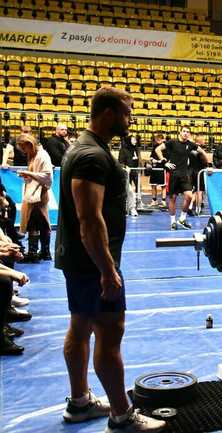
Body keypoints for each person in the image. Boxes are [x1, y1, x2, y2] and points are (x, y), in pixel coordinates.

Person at [54, 87, 165, 432]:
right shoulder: (91, 156)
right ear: (108, 114)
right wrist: (107, 271)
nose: (131, 119)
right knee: (109, 331)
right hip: (93, 264)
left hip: (82, 260)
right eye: (127, 112)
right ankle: (122, 416)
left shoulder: (88, 149)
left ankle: (80, 402)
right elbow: (90, 220)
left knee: (81, 326)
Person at [15, 134, 53, 263]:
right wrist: (28, 176)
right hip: (35, 193)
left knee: (36, 222)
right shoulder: (34, 155)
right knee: (38, 223)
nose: (24, 151)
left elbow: (47, 176)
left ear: (29, 144)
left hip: (39, 195)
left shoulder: (42, 156)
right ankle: (43, 252)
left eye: (24, 148)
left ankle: (35, 253)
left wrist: (28, 173)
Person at [157, 126, 203, 230]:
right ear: (180, 132)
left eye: (188, 132)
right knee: (173, 198)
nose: (186, 133)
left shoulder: (190, 144)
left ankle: (182, 219)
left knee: (189, 196)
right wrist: (164, 162)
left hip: (184, 175)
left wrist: (207, 164)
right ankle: (173, 222)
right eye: (184, 131)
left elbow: (202, 151)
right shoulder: (172, 142)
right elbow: (158, 149)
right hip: (173, 174)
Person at [118, 135, 141, 217]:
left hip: (135, 172)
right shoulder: (123, 150)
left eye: (135, 139)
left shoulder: (136, 149)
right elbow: (120, 162)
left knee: (136, 189)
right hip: (125, 174)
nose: (135, 141)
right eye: (133, 139)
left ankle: (133, 207)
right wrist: (125, 167)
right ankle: (126, 208)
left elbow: (137, 160)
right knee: (128, 191)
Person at [190, 135, 210, 216]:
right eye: (204, 140)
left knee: (194, 191)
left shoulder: (191, 149)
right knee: (200, 192)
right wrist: (208, 165)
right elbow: (204, 162)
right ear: (200, 141)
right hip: (199, 173)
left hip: (191, 172)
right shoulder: (200, 150)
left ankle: (190, 206)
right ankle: (198, 209)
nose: (205, 142)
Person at [148, 134, 167, 208]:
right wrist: (154, 160)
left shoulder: (165, 148)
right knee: (153, 185)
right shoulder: (154, 147)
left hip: (162, 169)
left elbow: (165, 159)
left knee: (163, 186)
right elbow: (151, 157)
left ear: (162, 139)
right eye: (156, 139)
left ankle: (163, 201)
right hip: (154, 169)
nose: (157, 140)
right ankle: (154, 200)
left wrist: (160, 161)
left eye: (159, 139)